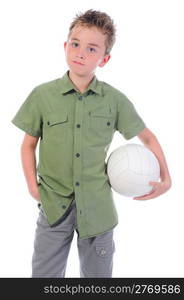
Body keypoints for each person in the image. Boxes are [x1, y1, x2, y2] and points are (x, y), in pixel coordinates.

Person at [11, 9, 172, 278]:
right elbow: (28, 144)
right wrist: (32, 187)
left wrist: (166, 179)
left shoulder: (114, 100)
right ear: (65, 46)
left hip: (98, 210)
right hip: (53, 207)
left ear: (104, 58)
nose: (80, 53)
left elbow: (148, 137)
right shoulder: (42, 96)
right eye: (75, 44)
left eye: (92, 48)